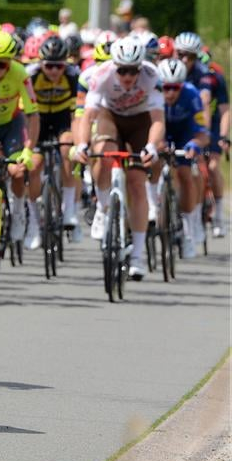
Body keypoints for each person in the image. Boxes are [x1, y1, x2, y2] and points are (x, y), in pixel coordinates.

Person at [73, 36, 165, 281]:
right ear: (114, 67)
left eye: (132, 71)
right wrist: (82, 144)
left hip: (140, 120)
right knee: (103, 152)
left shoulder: (152, 76)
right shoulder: (101, 74)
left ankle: (137, 254)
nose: (127, 77)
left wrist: (152, 147)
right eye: (122, 70)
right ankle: (103, 206)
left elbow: (157, 120)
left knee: (136, 182)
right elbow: (87, 116)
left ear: (140, 67)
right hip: (110, 116)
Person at [0, 31, 41, 251]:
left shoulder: (20, 73)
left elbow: (32, 114)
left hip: (10, 126)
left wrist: (29, 149)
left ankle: (17, 211)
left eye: (2, 65)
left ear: (10, 63)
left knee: (16, 170)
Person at [26, 35, 82, 241]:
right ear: (41, 63)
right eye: (49, 66)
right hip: (37, 119)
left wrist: (78, 140)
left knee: (68, 149)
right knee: (33, 165)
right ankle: (32, 221)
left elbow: (78, 113)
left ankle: (69, 210)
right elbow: (25, 113)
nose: (54, 71)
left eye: (59, 66)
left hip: (61, 119)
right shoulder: (30, 76)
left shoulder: (74, 76)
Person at [174, 32, 229, 237]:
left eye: (191, 56)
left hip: (207, 122)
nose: (185, 60)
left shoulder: (207, 76)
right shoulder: (169, 71)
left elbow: (216, 107)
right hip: (180, 121)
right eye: (181, 54)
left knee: (212, 167)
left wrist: (219, 135)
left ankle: (218, 217)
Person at [157, 58, 210, 259]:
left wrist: (195, 144)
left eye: (175, 87)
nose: (170, 93)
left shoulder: (191, 95)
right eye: (166, 87)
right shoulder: (152, 94)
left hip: (184, 133)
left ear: (182, 85)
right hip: (161, 131)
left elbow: (202, 131)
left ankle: (188, 230)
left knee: (185, 173)